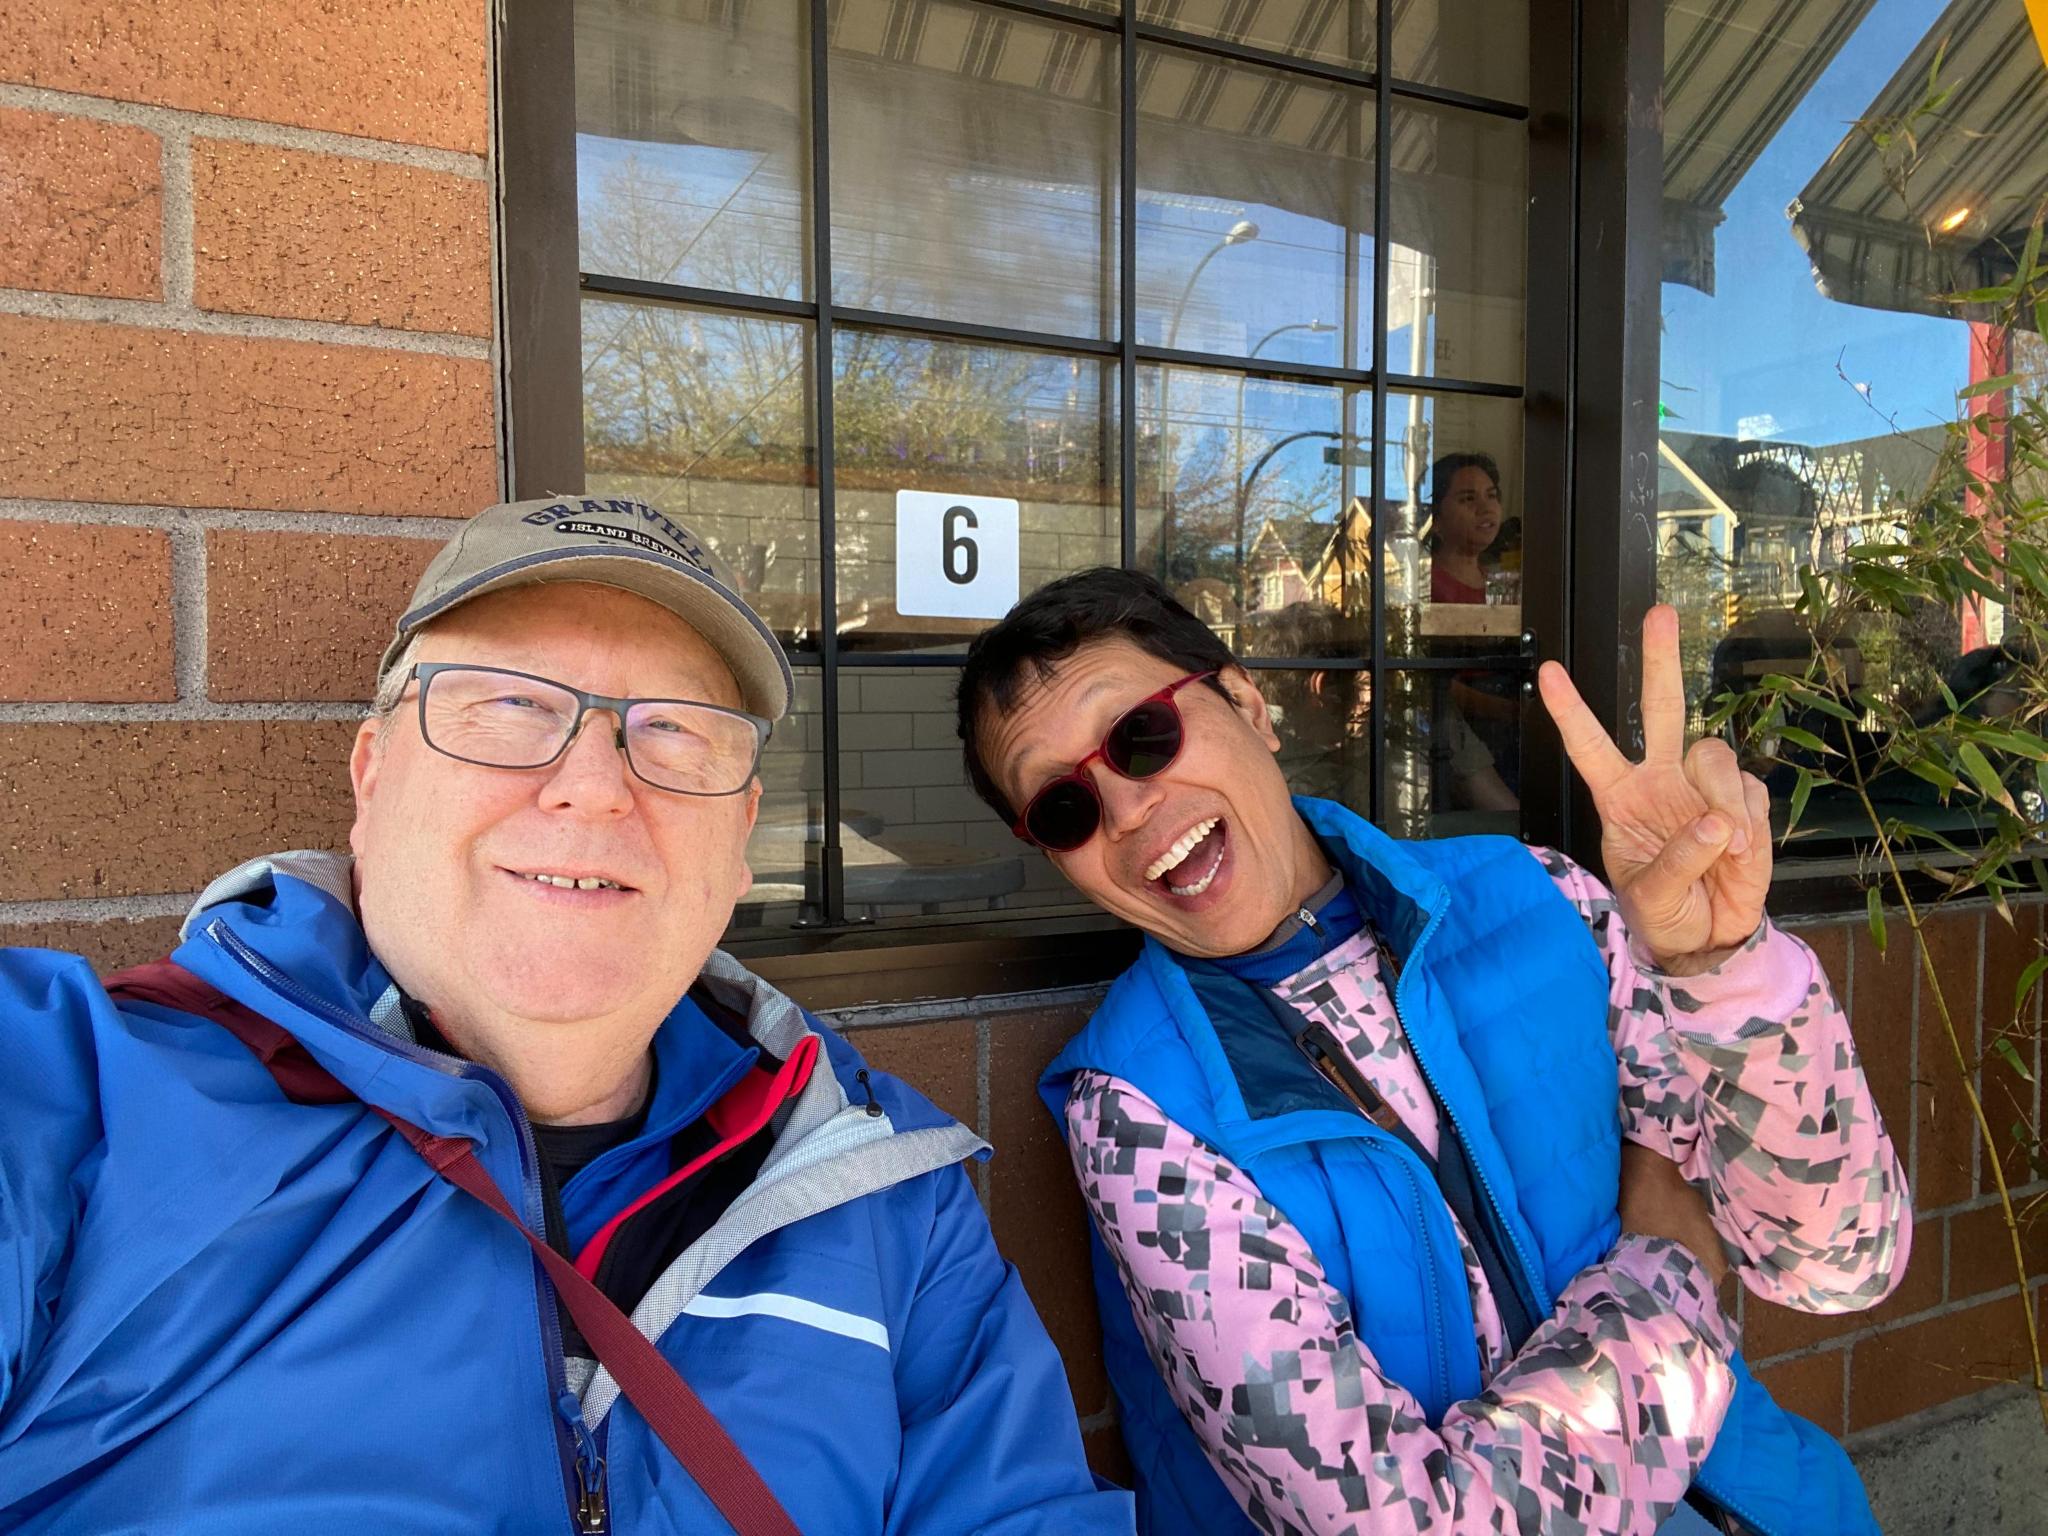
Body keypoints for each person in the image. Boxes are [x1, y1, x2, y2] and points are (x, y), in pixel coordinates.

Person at [0, 498, 1132, 1534]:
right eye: (507, 706)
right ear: (372, 771)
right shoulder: (75, 1099)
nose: (593, 784)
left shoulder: (888, 1194)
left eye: (673, 733)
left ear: (740, 839)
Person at [955, 567, 1908, 1536]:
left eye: (1139, 737)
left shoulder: (1539, 900)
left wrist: (1721, 968)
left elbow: (1837, 1262)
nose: (1123, 811)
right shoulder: (1134, 1111)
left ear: (1245, 700)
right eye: (1065, 811)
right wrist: (1671, 1273)